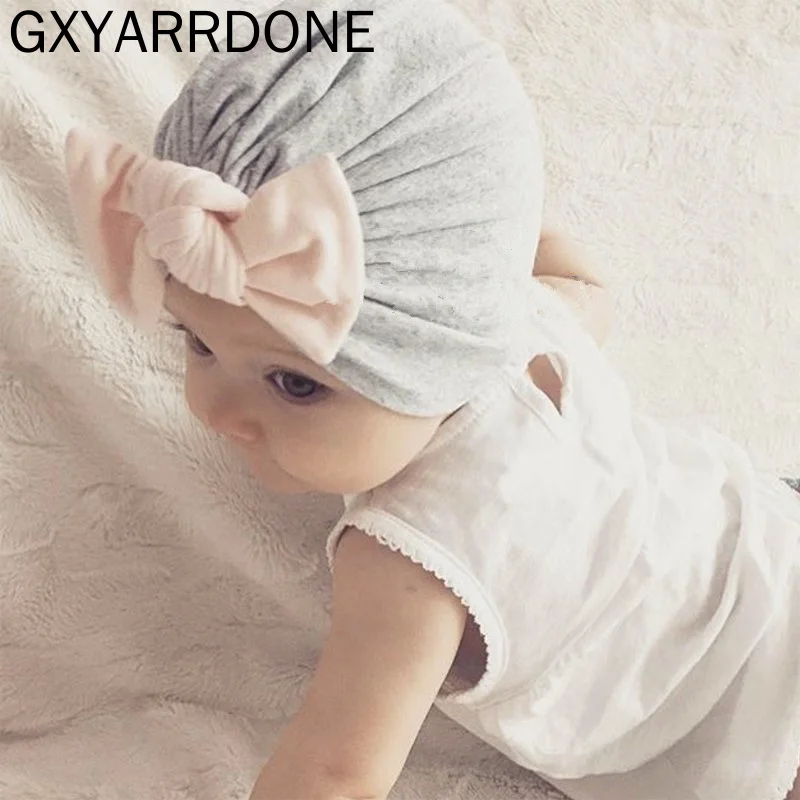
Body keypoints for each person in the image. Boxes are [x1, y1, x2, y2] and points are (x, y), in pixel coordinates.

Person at [62, 1, 800, 798]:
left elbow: (333, 773)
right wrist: (475, 233)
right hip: (763, 542)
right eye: (197, 342)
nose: (215, 410)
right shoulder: (537, 321)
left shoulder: (408, 557)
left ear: (438, 342)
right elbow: (582, 280)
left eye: (295, 384)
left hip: (749, 719)